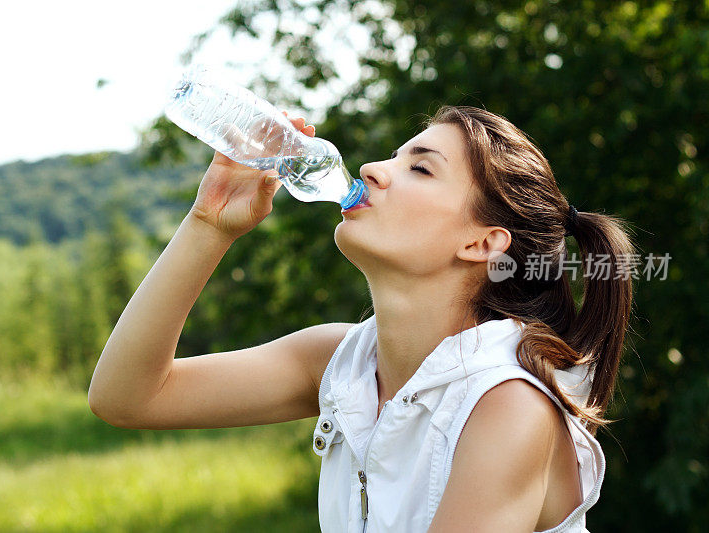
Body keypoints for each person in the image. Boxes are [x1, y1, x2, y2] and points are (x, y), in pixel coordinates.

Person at [88, 105, 634, 532]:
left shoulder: (508, 406)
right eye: (394, 157)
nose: (372, 168)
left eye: (419, 167)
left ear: (482, 242)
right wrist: (209, 225)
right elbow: (128, 397)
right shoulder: (339, 361)